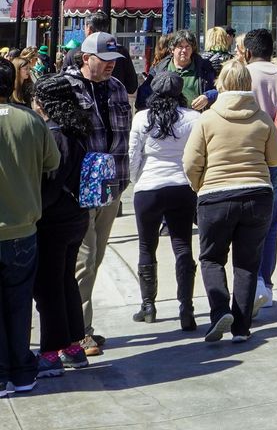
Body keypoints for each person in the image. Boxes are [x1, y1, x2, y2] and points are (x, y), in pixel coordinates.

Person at [183, 60, 277, 344]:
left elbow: (191, 162)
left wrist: (198, 185)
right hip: (257, 195)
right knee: (247, 262)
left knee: (212, 257)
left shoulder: (207, 118)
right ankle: (241, 326)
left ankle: (219, 312)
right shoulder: (262, 117)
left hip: (215, 196)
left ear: (221, 84)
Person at [64, 30, 132, 357]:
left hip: (111, 184)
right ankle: (79, 333)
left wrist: (122, 181)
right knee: (85, 260)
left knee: (97, 258)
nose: (110, 66)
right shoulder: (68, 88)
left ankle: (79, 327)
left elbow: (123, 134)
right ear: (86, 58)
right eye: (104, 60)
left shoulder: (117, 89)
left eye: (113, 61)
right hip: (79, 187)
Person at [0, 56, 61, 397]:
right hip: (23, 227)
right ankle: (22, 371)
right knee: (20, 301)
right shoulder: (32, 121)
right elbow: (52, 162)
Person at [128, 71, 202, 329]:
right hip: (182, 186)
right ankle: (187, 309)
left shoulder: (141, 118)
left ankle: (148, 306)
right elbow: (197, 155)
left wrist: (138, 182)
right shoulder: (193, 118)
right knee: (183, 246)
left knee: (146, 246)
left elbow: (133, 155)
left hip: (149, 187)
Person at [31, 75, 91, 378]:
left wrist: (32, 209)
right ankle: (73, 347)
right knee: (65, 282)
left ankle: (51, 353)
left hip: (54, 221)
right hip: (77, 217)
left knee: (48, 289)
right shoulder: (78, 129)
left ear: (43, 103)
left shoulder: (55, 135)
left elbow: (51, 185)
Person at [242, 28, 277, 310]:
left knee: (247, 223)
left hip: (249, 154)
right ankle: (267, 282)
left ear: (248, 51)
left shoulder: (242, 74)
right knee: (272, 223)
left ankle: (251, 284)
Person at [138, 30, 218, 112]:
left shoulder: (204, 68)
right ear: (172, 49)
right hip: (167, 120)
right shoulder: (159, 69)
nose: (184, 50)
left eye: (187, 47)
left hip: (196, 119)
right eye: (180, 47)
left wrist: (207, 97)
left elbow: (219, 90)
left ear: (192, 49)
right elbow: (143, 96)